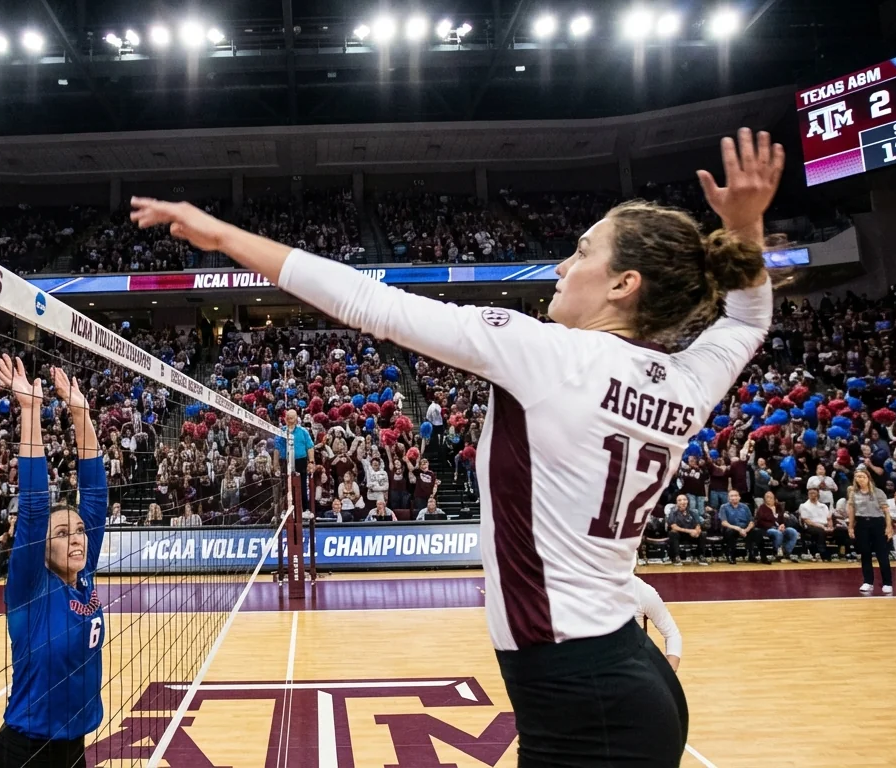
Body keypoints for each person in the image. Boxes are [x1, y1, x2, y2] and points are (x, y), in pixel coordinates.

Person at [132, 127, 785, 766]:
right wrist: (747, 228)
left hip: (585, 699)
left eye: (582, 253)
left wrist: (220, 235)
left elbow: (370, 302)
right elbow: (749, 319)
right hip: (619, 672)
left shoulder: (549, 354)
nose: (561, 266)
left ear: (624, 284)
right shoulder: (685, 382)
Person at [0, 357, 108, 768]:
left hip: (73, 747)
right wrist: (30, 410)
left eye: (78, 531)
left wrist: (81, 412)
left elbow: (95, 496)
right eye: (62, 534)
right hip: (24, 753)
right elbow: (36, 508)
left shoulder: (84, 574)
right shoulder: (31, 587)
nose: (76, 538)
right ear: (41, 548)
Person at [847, 467, 893, 595]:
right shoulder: (853, 493)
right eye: (857, 477)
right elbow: (851, 511)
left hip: (877, 523)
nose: (860, 479)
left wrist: (889, 526)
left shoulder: (878, 492)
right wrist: (850, 526)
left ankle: (887, 583)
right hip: (861, 523)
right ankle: (868, 581)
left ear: (868, 478)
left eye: (862, 476)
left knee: (882, 554)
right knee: (865, 553)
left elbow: (886, 511)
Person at [633, 576, 682, 672]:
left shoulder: (642, 592)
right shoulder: (595, 590)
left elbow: (672, 634)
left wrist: (669, 676)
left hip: (635, 671)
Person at [719, 490, 762, 565]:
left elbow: (751, 521)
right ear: (728, 498)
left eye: (735, 495)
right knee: (731, 532)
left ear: (739, 497)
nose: (734, 497)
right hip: (731, 527)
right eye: (731, 496)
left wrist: (746, 530)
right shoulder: (724, 507)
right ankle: (731, 556)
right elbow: (724, 522)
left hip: (745, 528)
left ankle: (754, 555)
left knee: (757, 531)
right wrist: (738, 529)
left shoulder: (745, 507)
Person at [665, 493, 707, 565]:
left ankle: (700, 556)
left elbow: (698, 525)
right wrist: (690, 531)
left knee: (703, 534)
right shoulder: (673, 513)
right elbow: (674, 526)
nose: (682, 502)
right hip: (680, 535)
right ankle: (677, 557)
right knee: (673, 533)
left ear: (687, 501)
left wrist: (697, 532)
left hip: (691, 535)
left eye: (684, 499)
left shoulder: (693, 512)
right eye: (680, 500)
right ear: (677, 502)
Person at [758, 490, 797, 562]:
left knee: (793, 531)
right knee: (777, 533)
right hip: (768, 529)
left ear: (775, 499)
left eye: (770, 497)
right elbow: (760, 522)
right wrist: (774, 527)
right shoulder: (762, 508)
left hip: (780, 528)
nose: (768, 499)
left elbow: (782, 520)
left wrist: (782, 525)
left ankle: (787, 552)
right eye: (767, 497)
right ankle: (776, 552)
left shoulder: (778, 507)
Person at [797, 488, 833, 562]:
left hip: (824, 525)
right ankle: (822, 553)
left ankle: (845, 553)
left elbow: (829, 518)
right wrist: (822, 526)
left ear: (818, 494)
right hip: (811, 526)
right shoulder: (804, 506)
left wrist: (830, 526)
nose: (812, 495)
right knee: (821, 531)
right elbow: (807, 520)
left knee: (841, 530)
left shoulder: (824, 506)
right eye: (810, 493)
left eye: (814, 493)